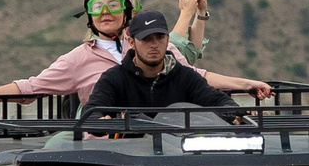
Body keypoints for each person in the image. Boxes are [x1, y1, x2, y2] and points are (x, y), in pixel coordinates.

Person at [0, 0, 270, 113]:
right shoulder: (78, 59)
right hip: (108, 146)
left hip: (162, 138)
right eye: (97, 6)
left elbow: (195, 76)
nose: (105, 12)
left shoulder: (151, 46)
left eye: (113, 4)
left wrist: (245, 84)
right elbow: (31, 87)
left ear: (127, 10)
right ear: (88, 14)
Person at [82, 9, 248, 117]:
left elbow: (217, 100)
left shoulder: (185, 76)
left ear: (167, 39)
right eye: (146, 39)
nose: (154, 44)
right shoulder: (114, 78)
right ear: (131, 42)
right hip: (127, 156)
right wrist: (102, 120)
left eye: (160, 37)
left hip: (177, 154)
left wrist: (236, 114)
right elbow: (91, 111)